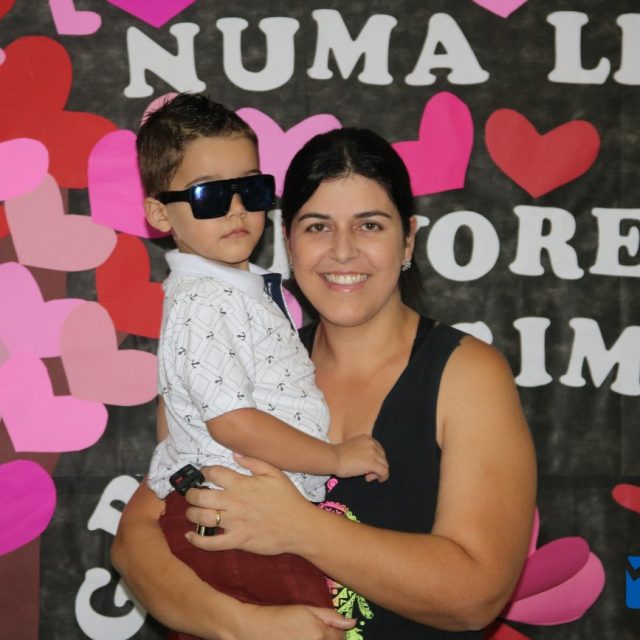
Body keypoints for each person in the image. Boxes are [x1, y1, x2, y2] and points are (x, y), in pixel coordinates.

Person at [112, 126, 537, 640]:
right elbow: (136, 540)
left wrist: (299, 527)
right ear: (288, 240)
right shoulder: (244, 362)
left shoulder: (467, 374)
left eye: (370, 226)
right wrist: (246, 625)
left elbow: (475, 597)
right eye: (317, 227)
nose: (342, 252)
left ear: (408, 239)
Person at [135, 93, 389, 629]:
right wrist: (335, 458)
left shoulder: (234, 290)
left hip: (247, 511)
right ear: (159, 213)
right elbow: (232, 423)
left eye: (250, 190)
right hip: (234, 517)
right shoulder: (205, 300)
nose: (236, 210)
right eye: (209, 195)